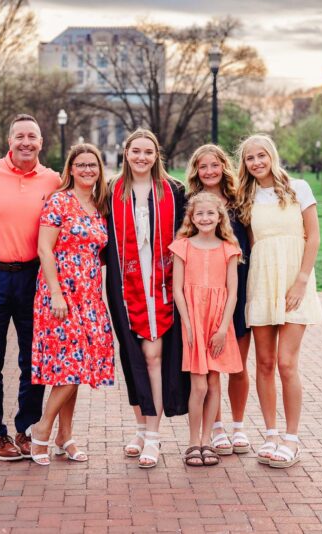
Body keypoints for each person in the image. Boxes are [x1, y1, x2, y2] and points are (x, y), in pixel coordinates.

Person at [0, 114, 61, 461]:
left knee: (34, 358)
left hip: (32, 277)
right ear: (9, 141)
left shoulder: (52, 180)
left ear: (41, 143)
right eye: (19, 136)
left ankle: (26, 429)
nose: (26, 142)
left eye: (32, 137)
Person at [237, 134, 322, 468]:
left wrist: (301, 280)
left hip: (294, 281)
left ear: (272, 155)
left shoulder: (298, 188)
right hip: (262, 281)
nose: (256, 162)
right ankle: (271, 434)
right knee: (264, 363)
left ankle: (291, 438)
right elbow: (249, 242)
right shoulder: (246, 197)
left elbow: (313, 237)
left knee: (287, 363)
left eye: (261, 155)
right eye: (250, 158)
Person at [25, 144, 115, 466]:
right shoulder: (59, 201)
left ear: (99, 170)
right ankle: (42, 428)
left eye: (93, 165)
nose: (87, 170)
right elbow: (44, 249)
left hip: (89, 295)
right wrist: (56, 293)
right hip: (60, 294)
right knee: (73, 365)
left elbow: (97, 252)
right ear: (71, 169)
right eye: (81, 165)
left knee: (76, 365)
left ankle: (65, 436)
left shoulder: (100, 206)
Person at [105, 128, 190, 468]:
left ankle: (153, 436)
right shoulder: (110, 190)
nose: (142, 157)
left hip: (162, 283)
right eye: (136, 151)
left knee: (154, 355)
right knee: (133, 355)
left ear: (157, 156)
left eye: (148, 152)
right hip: (124, 284)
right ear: (126, 153)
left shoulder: (174, 190)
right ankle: (141, 428)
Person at [185, 144, 252, 456]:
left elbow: (251, 244)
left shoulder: (240, 202)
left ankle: (238, 426)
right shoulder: (193, 205)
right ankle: (217, 427)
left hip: (237, 289)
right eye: (203, 166)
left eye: (215, 165)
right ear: (196, 171)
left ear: (224, 167)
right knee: (210, 368)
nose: (209, 171)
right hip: (204, 297)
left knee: (237, 366)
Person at [170, 192, 243, 467]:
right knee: (198, 386)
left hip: (217, 323)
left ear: (219, 216)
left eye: (210, 213)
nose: (205, 218)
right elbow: (177, 290)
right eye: (199, 213)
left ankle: (207, 441)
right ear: (191, 217)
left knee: (213, 383)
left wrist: (223, 328)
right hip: (193, 322)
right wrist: (188, 325)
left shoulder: (228, 249)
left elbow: (232, 292)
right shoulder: (182, 247)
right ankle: (193, 442)